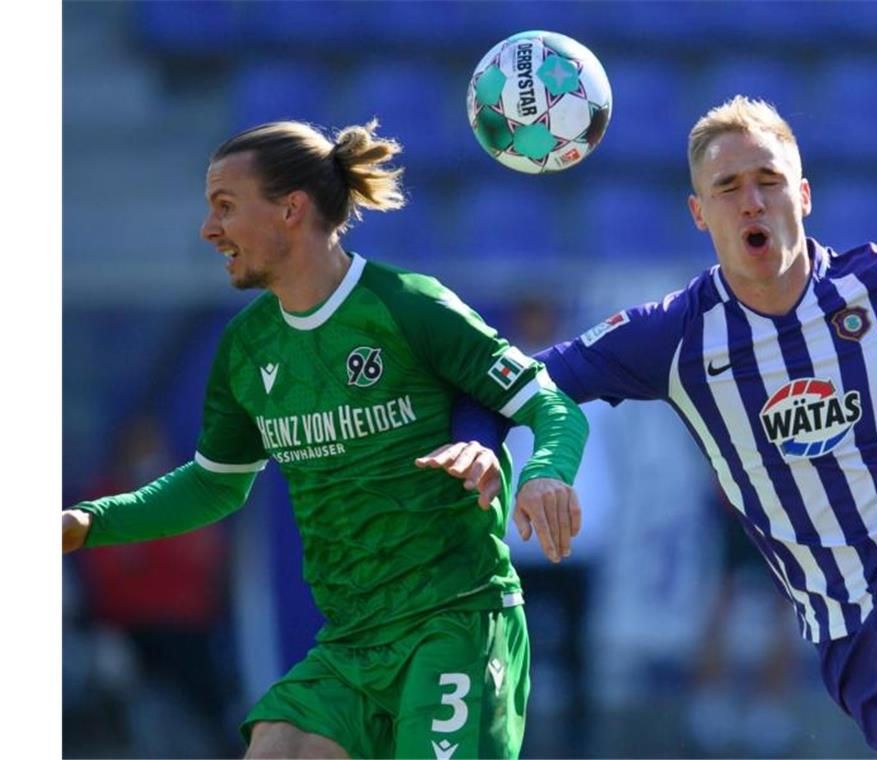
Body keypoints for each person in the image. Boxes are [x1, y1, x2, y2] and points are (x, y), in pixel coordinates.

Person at [453, 96, 877, 759]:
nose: (752, 201)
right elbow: (508, 387)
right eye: (728, 187)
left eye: (769, 180)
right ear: (701, 213)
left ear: (802, 195)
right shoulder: (676, 336)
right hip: (847, 632)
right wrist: (483, 448)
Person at [62, 119, 589, 760]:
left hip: (454, 621)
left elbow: (550, 403)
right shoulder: (246, 345)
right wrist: (90, 522)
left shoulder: (408, 306)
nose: (209, 230)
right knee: (275, 747)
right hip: (351, 642)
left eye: (225, 208)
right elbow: (213, 485)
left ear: (291, 208)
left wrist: (547, 471)